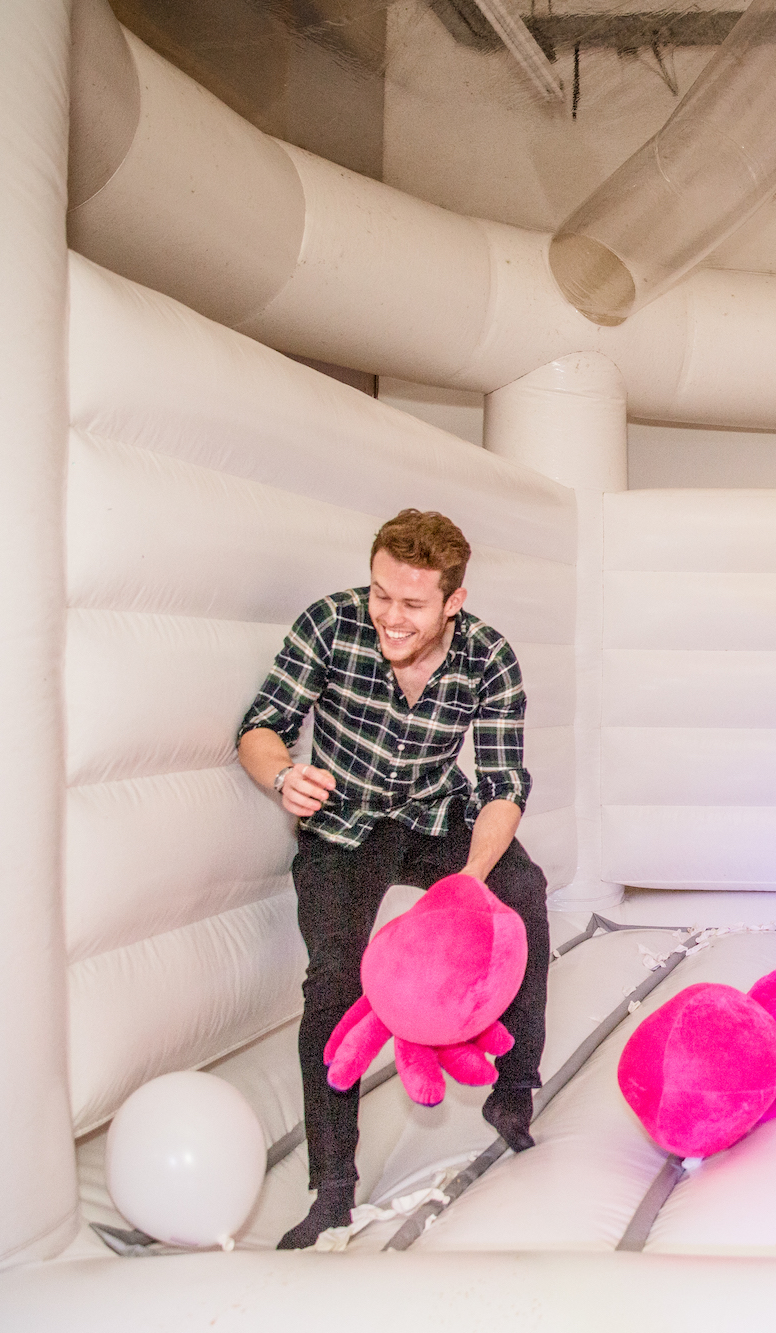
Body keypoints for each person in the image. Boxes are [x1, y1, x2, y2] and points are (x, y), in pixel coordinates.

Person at [236, 509, 550, 1248]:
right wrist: (283, 777)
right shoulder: (332, 625)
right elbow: (259, 726)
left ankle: (513, 1092)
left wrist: (468, 883)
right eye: (382, 593)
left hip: (437, 815)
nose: (391, 615)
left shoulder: (488, 658)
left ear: (453, 601)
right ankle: (332, 1189)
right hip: (344, 824)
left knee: (523, 895)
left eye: (412, 603)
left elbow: (503, 785)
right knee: (335, 980)